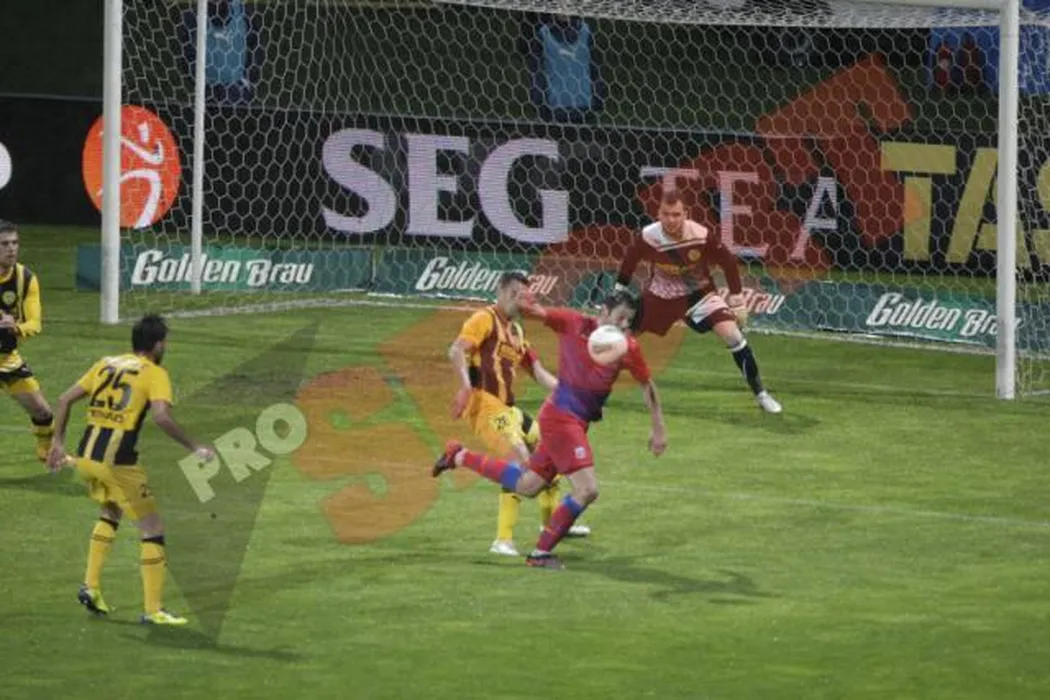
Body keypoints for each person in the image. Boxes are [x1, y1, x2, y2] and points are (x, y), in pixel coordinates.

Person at [433, 290, 666, 569]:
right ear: (603, 312)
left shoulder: (627, 347)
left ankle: (459, 456)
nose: (625, 326)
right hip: (561, 419)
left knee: (528, 485)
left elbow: (647, 385)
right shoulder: (572, 323)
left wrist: (658, 427)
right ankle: (540, 554)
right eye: (621, 318)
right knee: (587, 489)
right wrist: (523, 299)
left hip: (574, 421)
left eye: (630, 321)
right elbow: (537, 312)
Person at [48, 315, 215, 626]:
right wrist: (194, 447)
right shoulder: (154, 373)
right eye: (165, 342)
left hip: (87, 457)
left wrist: (57, 442)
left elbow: (64, 399)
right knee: (153, 528)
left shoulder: (105, 364)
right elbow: (162, 417)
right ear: (157, 345)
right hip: (118, 462)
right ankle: (153, 611)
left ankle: (91, 587)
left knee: (110, 511)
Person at [449, 271, 590, 556]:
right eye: (517, 294)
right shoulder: (484, 319)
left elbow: (537, 371)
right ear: (505, 292)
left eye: (524, 295)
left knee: (550, 452)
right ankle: (502, 540)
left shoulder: (516, 331)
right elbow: (456, 350)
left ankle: (551, 525)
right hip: (484, 405)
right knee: (520, 464)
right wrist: (464, 386)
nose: (521, 301)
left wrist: (570, 393)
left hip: (507, 409)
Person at [615, 190, 782, 414]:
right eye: (666, 214)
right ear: (659, 214)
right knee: (618, 337)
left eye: (676, 214)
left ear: (686, 214)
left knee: (734, 336)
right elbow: (630, 260)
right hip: (660, 296)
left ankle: (761, 394)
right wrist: (618, 291)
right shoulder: (648, 236)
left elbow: (728, 262)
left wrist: (737, 300)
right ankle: (592, 385)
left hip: (699, 295)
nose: (671, 220)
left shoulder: (701, 235)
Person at [0, 220, 55, 462]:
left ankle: (46, 451)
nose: (11, 248)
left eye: (15, 243)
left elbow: (35, 323)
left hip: (7, 359)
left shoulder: (26, 278)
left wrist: (16, 328)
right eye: (4, 244)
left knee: (43, 412)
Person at [523, 13, 605, 123]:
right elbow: (536, 72)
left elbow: (595, 68)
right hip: (555, 110)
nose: (563, 7)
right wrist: (540, 103)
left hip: (585, 108)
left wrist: (599, 98)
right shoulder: (543, 34)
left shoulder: (586, 32)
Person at [180, 0, 261, 105]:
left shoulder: (244, 13)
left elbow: (255, 50)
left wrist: (246, 78)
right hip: (206, 89)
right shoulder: (194, 17)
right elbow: (186, 57)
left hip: (237, 89)